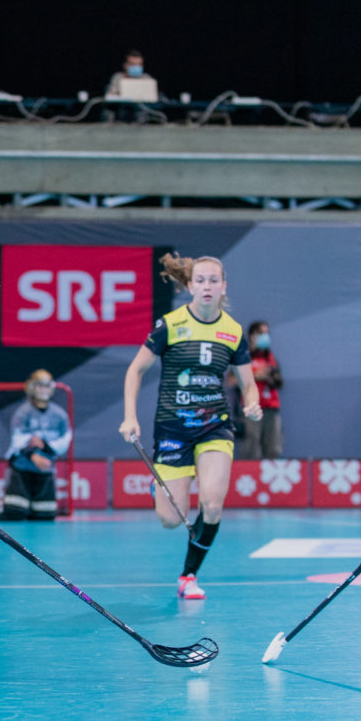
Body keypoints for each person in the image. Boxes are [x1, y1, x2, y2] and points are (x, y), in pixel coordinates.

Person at [119, 253, 262, 601]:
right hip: (173, 428)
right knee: (171, 519)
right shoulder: (169, 325)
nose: (207, 286)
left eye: (214, 280)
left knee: (213, 504)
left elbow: (248, 382)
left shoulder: (233, 331)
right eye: (200, 280)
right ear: (190, 286)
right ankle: (161, 489)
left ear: (224, 286)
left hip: (215, 427)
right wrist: (129, 416)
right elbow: (135, 370)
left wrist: (252, 401)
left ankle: (188, 575)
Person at [0, 369, 72, 521]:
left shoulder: (60, 415)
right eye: (40, 386)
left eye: (46, 386)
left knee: (45, 515)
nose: (43, 390)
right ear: (31, 387)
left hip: (45, 472)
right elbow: (17, 440)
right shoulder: (23, 413)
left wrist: (45, 447)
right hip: (21, 470)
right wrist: (32, 455)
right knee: (14, 512)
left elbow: (65, 440)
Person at [237, 320, 283, 459]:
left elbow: (280, 382)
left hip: (271, 409)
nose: (265, 336)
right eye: (261, 333)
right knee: (251, 450)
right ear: (252, 335)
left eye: (267, 333)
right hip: (251, 410)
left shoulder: (271, 358)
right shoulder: (243, 356)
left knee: (272, 449)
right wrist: (255, 376)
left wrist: (270, 378)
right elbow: (231, 381)